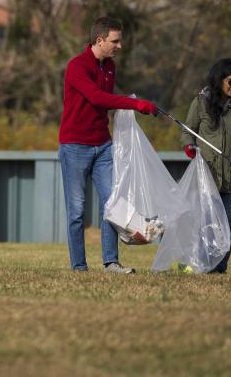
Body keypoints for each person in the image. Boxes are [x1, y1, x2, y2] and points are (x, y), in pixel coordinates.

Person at [58, 16, 158, 273]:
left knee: (112, 205)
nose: (119, 46)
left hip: (103, 145)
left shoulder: (110, 66)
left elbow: (108, 103)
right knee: (77, 211)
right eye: (115, 41)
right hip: (75, 146)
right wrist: (136, 104)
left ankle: (110, 262)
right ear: (99, 40)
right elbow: (97, 98)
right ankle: (79, 266)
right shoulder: (76, 66)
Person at [181, 57, 231, 274]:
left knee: (226, 224)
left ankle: (220, 268)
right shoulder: (201, 102)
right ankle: (202, 265)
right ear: (219, 80)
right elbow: (188, 132)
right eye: (230, 82)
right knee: (205, 223)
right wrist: (189, 147)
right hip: (207, 175)